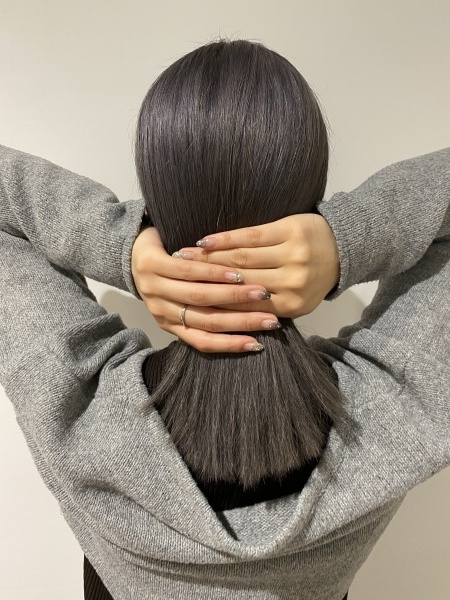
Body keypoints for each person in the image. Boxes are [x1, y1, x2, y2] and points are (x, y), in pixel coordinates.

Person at [0, 39, 449, 600]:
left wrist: (123, 247)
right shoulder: (389, 411)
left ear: (156, 196)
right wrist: (348, 239)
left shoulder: (81, 410)